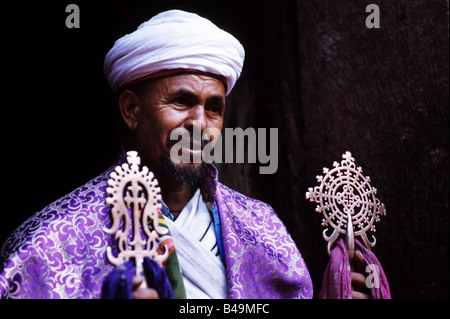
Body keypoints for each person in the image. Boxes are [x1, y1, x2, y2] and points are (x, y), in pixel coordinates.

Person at [0, 9, 370, 299]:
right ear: (131, 110)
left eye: (214, 108)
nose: (199, 124)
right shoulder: (51, 244)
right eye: (181, 101)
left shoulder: (262, 228)